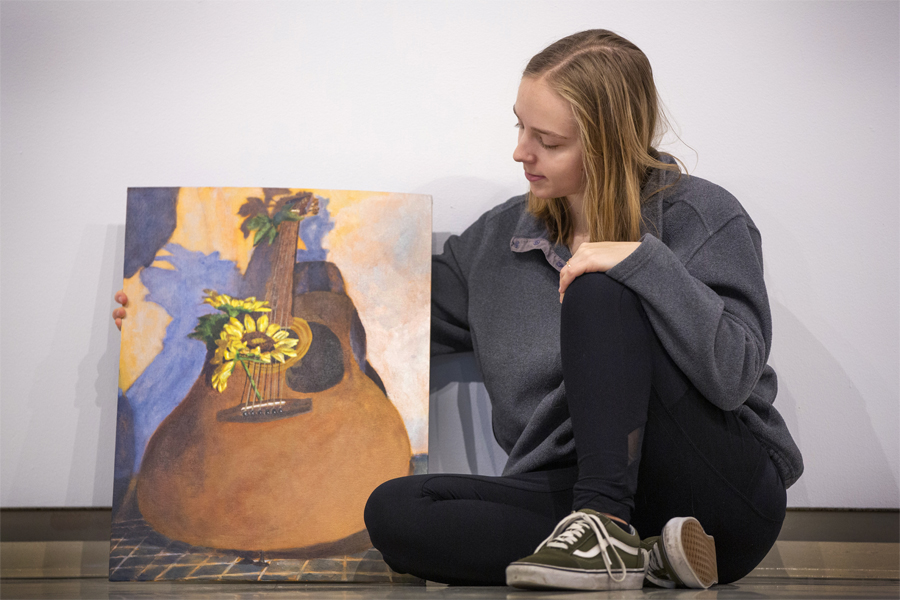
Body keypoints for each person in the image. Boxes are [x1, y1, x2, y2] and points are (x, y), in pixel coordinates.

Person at [114, 29, 802, 591]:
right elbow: (383, 314)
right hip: (579, 496)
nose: (519, 152)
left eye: (548, 141)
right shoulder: (496, 243)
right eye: (519, 128)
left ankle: (608, 531)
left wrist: (636, 259)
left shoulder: (702, 215)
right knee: (394, 512)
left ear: (611, 142)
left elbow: (735, 374)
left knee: (598, 286)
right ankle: (643, 557)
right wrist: (171, 313)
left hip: (719, 496)